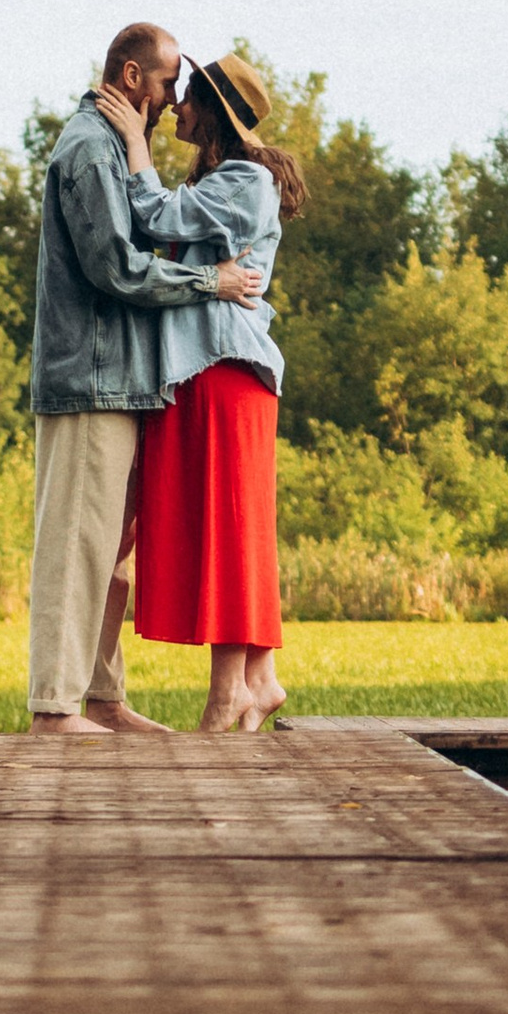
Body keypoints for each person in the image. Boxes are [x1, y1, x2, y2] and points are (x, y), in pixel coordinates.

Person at [26, 22, 268, 738]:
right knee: (76, 544)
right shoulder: (91, 149)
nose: (169, 100)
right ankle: (54, 708)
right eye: (165, 84)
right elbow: (116, 270)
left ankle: (101, 697)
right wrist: (210, 282)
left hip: (124, 380)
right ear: (133, 79)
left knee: (110, 551)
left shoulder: (111, 149)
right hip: (91, 379)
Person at [97, 52, 303, 734]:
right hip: (206, 371)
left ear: (213, 111)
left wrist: (132, 142)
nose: (175, 106)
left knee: (227, 528)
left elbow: (154, 215)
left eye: (187, 98)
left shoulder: (244, 181)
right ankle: (257, 679)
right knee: (233, 526)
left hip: (225, 371)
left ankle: (229, 696)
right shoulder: (228, 179)